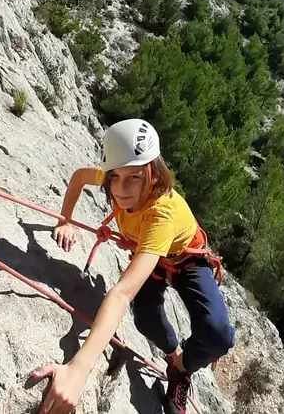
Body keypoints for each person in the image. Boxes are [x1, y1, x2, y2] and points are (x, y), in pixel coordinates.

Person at [31, 118, 235, 414]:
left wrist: (79, 368)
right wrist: (65, 221)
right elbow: (78, 177)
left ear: (153, 173)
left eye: (134, 178)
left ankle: (181, 369)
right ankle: (171, 353)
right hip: (151, 253)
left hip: (185, 257)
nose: (121, 189)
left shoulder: (160, 215)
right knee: (146, 319)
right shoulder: (116, 176)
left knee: (218, 334)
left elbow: (121, 294)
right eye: (115, 177)